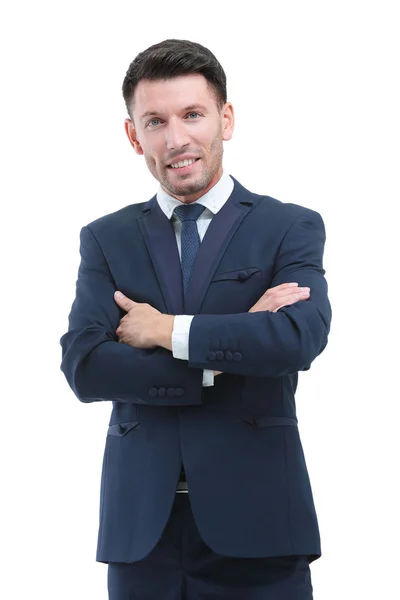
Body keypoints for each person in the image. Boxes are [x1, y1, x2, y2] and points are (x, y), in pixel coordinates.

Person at [60, 38, 332, 600]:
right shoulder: (106, 239)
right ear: (134, 136)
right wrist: (220, 358)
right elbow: (85, 366)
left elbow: (296, 338)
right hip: (144, 534)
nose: (176, 139)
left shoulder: (289, 226)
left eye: (192, 115)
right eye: (155, 121)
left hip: (260, 525)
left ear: (225, 119)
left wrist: (165, 331)